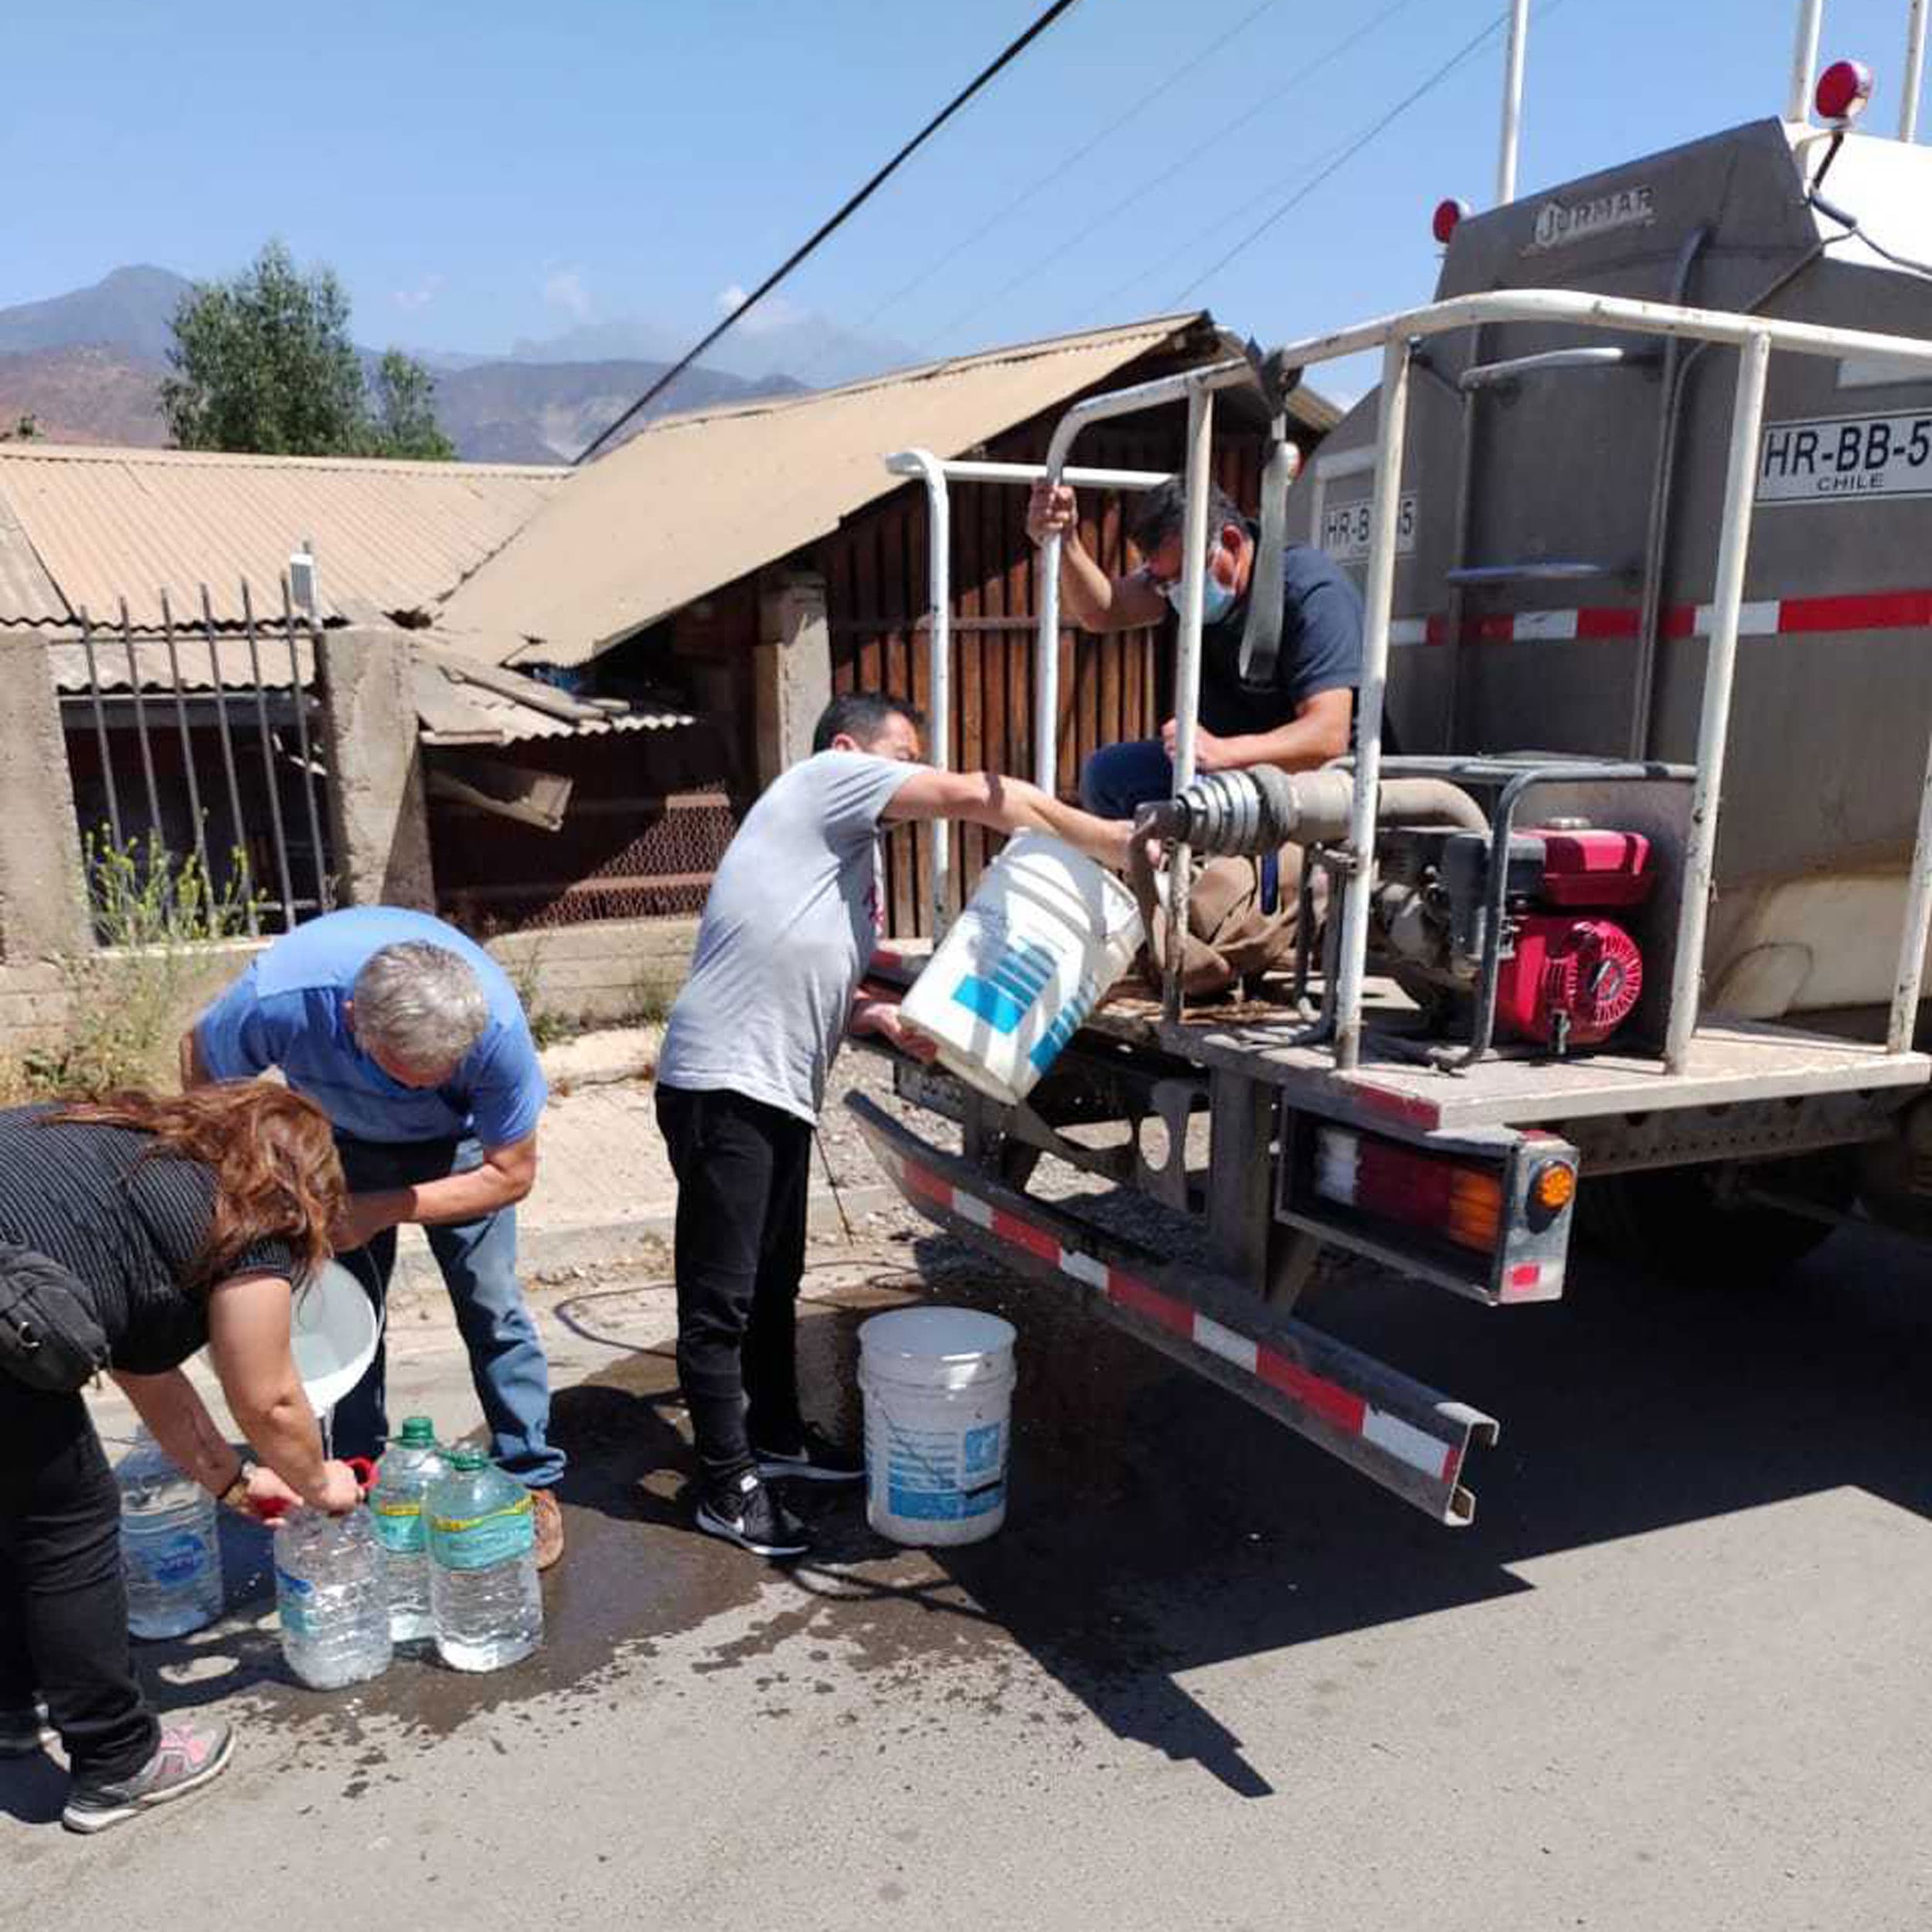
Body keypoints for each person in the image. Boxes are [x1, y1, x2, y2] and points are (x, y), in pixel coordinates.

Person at [656, 692, 1132, 1560]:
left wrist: (872, 1018)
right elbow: (981, 798)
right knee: (720, 1296)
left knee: (774, 1279)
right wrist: (1106, 840)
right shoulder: (823, 781)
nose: (918, 769)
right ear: (851, 748)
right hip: (723, 1080)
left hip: (772, 1085)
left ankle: (776, 1441)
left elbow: (798, 962)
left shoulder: (839, 860)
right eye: (906, 753)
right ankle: (725, 1484)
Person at [0, 1085, 362, 1835]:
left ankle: (9, 1707)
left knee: (18, 1501)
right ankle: (120, 1758)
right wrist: (320, 1480)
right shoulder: (253, 1212)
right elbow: (271, 1402)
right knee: (65, 1521)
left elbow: (150, 1377)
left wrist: (233, 1482)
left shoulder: (112, 1148)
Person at [181, 907, 566, 1570]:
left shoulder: (493, 1028)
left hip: (463, 1153)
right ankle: (356, 1475)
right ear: (354, 1016)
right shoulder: (283, 998)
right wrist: (245, 1173)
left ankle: (530, 1478)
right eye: (403, 1073)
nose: (422, 1088)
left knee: (494, 1307)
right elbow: (200, 1061)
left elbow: (511, 1176)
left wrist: (383, 1209)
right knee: (347, 1318)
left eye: (438, 1076)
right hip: (338, 1144)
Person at [1026, 474, 1366, 818]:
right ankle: (1153, 864)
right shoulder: (1182, 581)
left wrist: (1223, 752)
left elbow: (1327, 736)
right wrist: (1065, 540)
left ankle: (1218, 865)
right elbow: (1104, 611)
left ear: (1231, 543)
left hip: (1312, 782)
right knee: (1106, 778)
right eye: (1162, 583)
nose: (1174, 592)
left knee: (1212, 832)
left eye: (1181, 579)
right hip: (1227, 771)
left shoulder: (1311, 591)